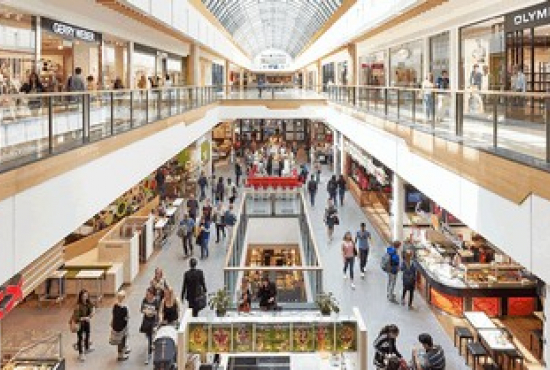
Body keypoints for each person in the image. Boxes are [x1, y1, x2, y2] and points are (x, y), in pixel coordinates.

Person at [71, 289, 95, 362]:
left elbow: (92, 307)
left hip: (86, 322)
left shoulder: (88, 303)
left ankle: (87, 348)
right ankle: (81, 354)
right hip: (80, 324)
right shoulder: (78, 306)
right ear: (81, 297)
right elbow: (76, 317)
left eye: (86, 296)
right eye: (84, 296)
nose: (85, 297)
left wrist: (92, 313)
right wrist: (85, 318)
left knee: (88, 334)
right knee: (80, 338)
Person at [140, 287, 159, 365]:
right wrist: (145, 311)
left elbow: (158, 311)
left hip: (153, 320)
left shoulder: (156, 301)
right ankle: (151, 343)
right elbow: (141, 309)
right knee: (148, 335)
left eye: (149, 294)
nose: (147, 295)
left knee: (150, 338)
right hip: (146, 319)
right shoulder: (144, 300)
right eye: (147, 294)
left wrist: (154, 313)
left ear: (152, 294)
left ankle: (149, 354)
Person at [111, 290, 130, 361]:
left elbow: (113, 315)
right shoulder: (124, 307)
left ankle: (121, 352)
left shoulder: (115, 306)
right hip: (123, 326)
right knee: (122, 340)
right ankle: (121, 355)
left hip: (116, 325)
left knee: (119, 340)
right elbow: (126, 317)